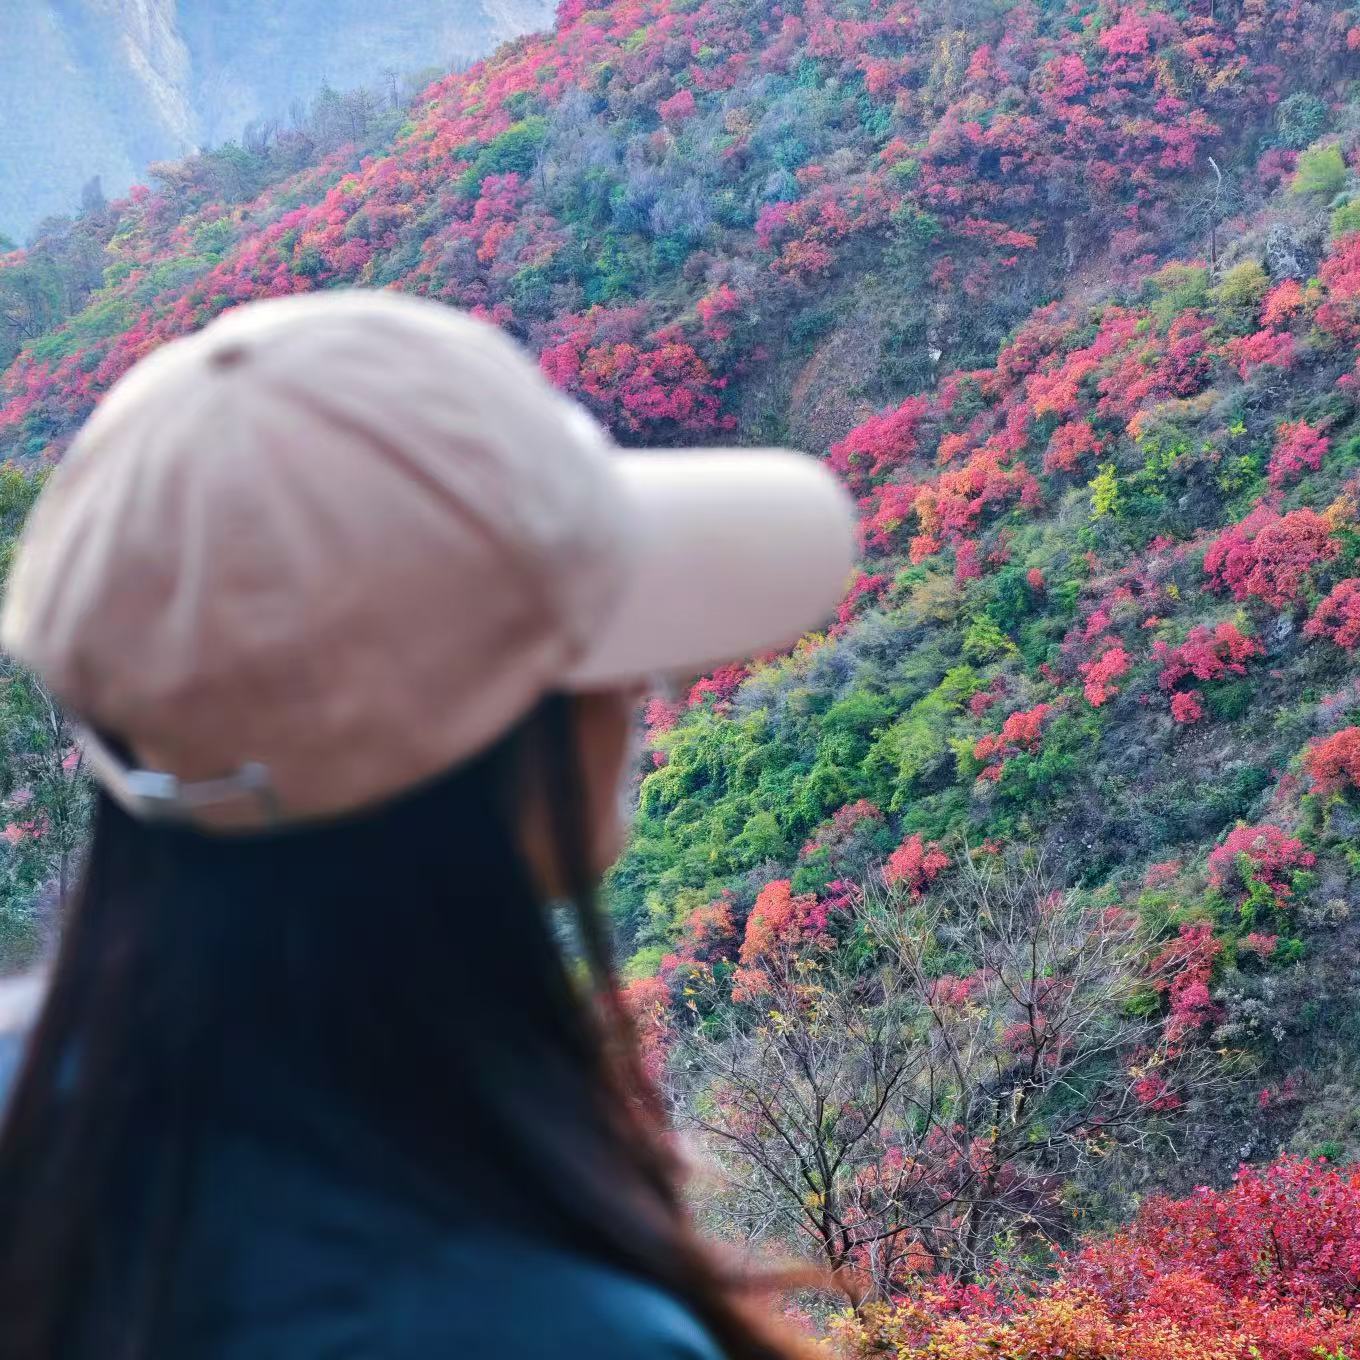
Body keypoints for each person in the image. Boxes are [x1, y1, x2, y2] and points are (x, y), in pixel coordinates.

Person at [0, 290, 855, 1358]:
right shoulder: (545, 1328)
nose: (643, 684)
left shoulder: (36, 1099)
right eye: (586, 647)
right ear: (465, 751)